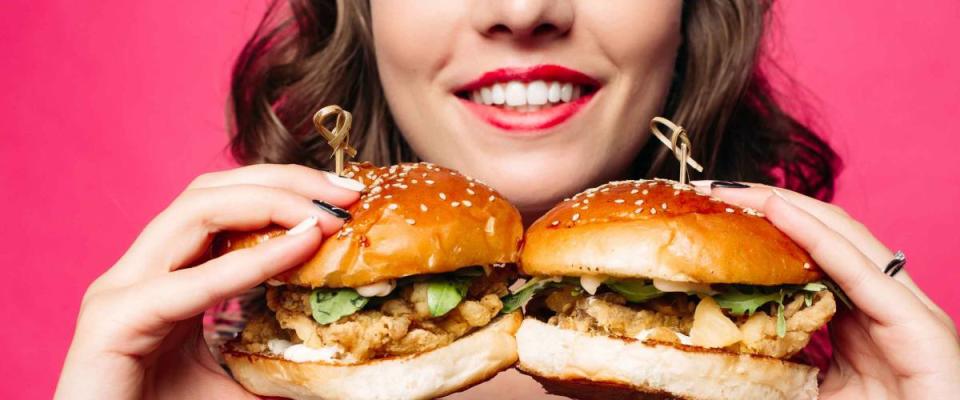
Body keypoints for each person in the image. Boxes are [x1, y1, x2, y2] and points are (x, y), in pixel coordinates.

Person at [56, 1, 959, 399]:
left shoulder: (861, 385)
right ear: (358, 14)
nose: (523, 9)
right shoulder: (198, 382)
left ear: (694, 12)